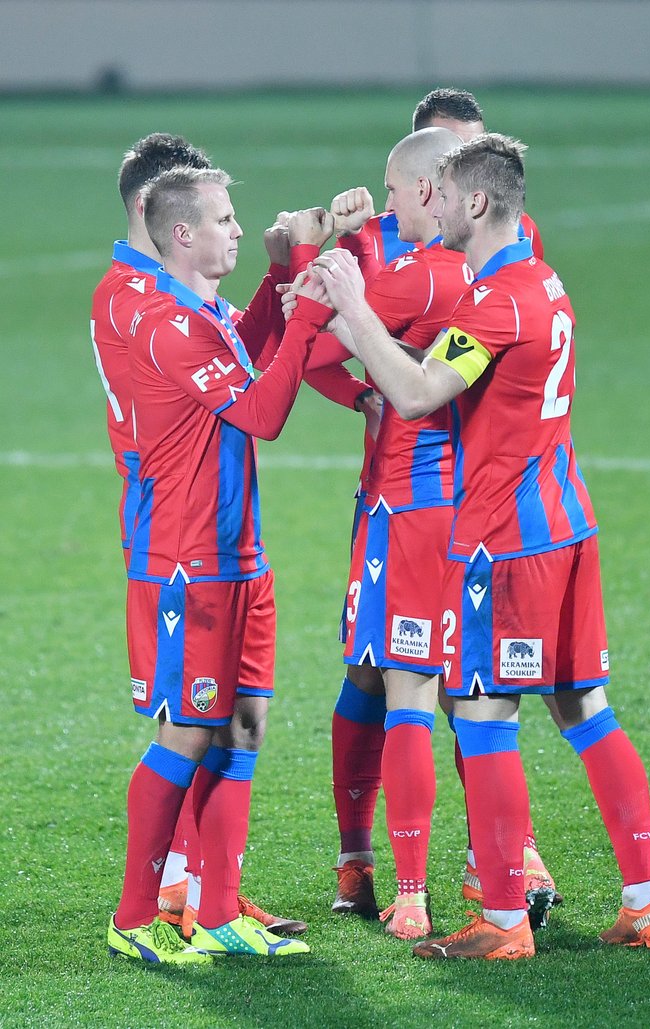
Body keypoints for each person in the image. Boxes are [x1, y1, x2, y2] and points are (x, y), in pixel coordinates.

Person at [314, 134, 650, 960]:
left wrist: (353, 308)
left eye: (439, 194)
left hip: (505, 541)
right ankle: (644, 900)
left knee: (480, 714)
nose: (428, 208)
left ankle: (506, 919)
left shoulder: (493, 301)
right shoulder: (539, 283)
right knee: (585, 710)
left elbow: (412, 395)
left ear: (475, 202)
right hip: (568, 523)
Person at [107, 166, 332, 962]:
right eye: (225, 220)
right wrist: (306, 303)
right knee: (186, 735)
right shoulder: (171, 325)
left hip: (240, 556)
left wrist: (281, 280)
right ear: (181, 235)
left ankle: (218, 908)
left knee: (240, 726)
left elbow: (258, 346)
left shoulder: (208, 311)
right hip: (186, 562)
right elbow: (265, 411)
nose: (238, 229)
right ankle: (136, 918)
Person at [332, 87, 542, 282]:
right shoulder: (372, 239)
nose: (470, 164)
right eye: (453, 153)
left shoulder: (518, 229)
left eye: (477, 150)